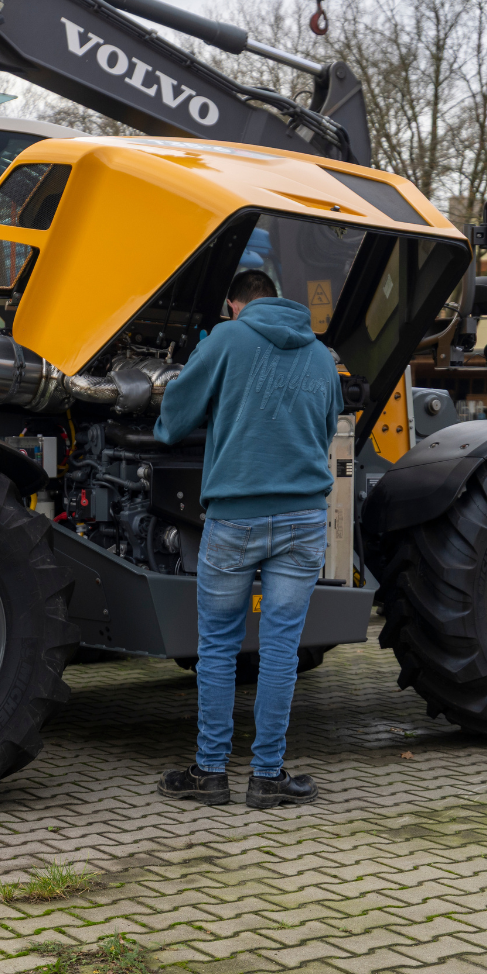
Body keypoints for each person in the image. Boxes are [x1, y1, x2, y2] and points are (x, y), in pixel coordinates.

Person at [152, 267, 343, 809]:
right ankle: (268, 777)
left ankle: (210, 773)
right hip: (303, 517)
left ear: (235, 305)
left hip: (235, 516)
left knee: (217, 647)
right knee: (281, 648)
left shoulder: (228, 338)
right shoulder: (322, 356)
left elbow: (175, 415)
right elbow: (328, 429)